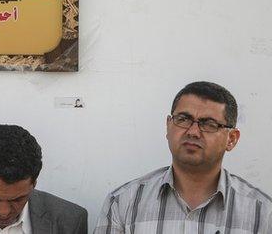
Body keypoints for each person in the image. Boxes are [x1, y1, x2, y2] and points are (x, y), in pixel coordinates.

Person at [95, 81, 272, 233]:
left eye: (209, 124)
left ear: (231, 139)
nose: (193, 132)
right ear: (168, 126)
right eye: (183, 119)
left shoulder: (262, 213)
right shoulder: (124, 203)